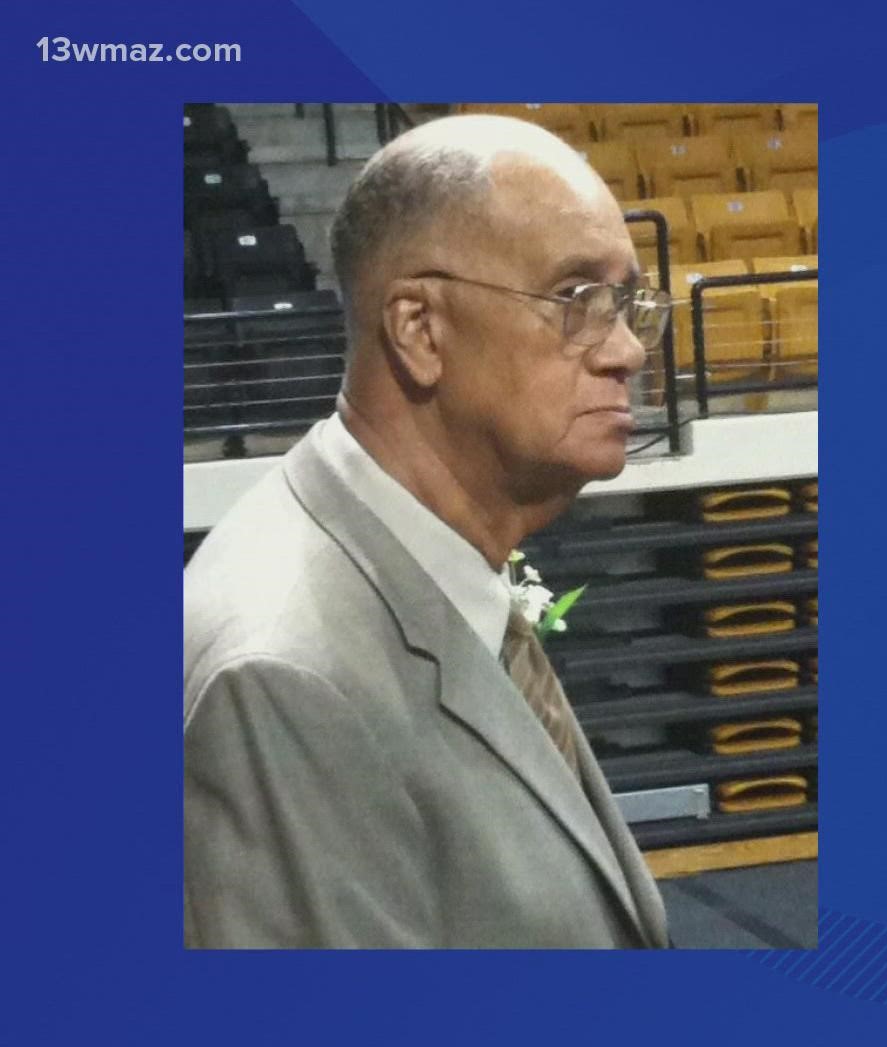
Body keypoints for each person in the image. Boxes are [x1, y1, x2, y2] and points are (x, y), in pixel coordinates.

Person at [184, 115, 675, 947]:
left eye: (628, 303)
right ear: (419, 330)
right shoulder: (284, 678)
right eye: (578, 299)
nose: (627, 350)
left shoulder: (421, 555)